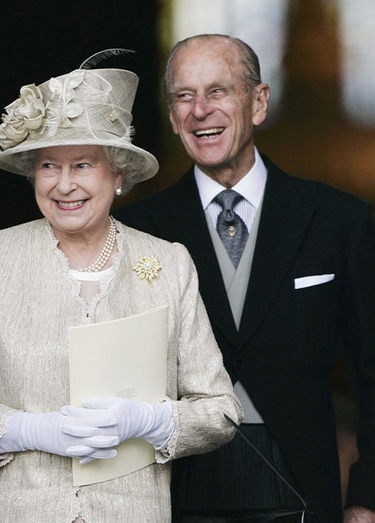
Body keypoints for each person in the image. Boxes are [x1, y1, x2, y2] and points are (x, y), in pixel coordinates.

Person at [0, 53, 243, 522]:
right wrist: (29, 429)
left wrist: (150, 421)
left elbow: (221, 412)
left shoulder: (169, 263)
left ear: (118, 174)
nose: (64, 185)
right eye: (49, 165)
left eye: (84, 165)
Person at [115, 34, 375, 522]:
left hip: (303, 487)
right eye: (184, 96)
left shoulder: (338, 221)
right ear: (171, 116)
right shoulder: (135, 230)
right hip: (174, 491)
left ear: (258, 102)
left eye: (218, 91)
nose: (199, 110)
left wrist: (366, 497)